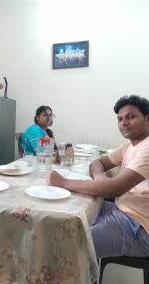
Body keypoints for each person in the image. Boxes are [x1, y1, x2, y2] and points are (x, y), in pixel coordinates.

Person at [46, 95, 149, 258]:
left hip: (140, 227)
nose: (124, 123)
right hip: (122, 210)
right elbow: (97, 163)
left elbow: (115, 188)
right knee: (64, 217)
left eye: (131, 117)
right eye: (120, 119)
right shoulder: (129, 146)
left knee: (65, 248)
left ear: (147, 119)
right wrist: (101, 179)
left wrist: (63, 182)